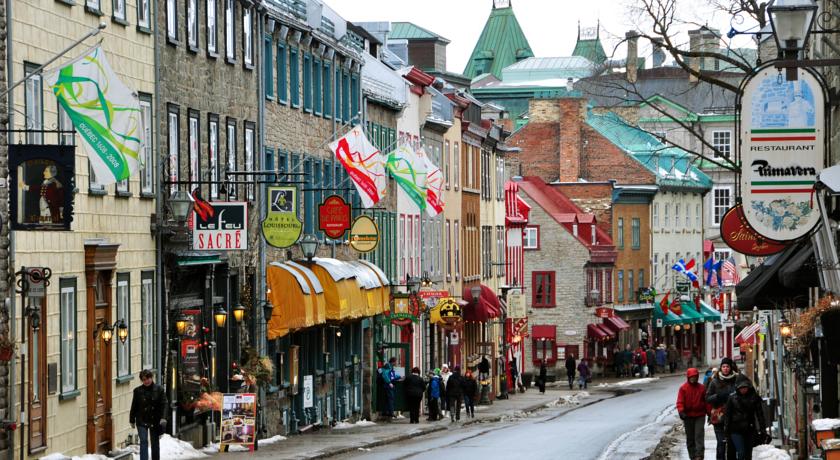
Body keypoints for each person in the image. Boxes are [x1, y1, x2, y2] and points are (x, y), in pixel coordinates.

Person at [725, 378, 769, 460]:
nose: (743, 390)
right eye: (741, 388)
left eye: (745, 387)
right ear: (738, 388)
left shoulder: (754, 398)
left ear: (748, 387)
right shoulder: (732, 398)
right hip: (735, 429)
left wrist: (763, 430)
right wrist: (727, 431)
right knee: (741, 453)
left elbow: (760, 415)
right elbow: (728, 415)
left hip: (749, 429)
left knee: (748, 454)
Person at [707, 357, 741, 460]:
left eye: (727, 367)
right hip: (719, 417)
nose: (725, 368)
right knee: (721, 444)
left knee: (732, 444)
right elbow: (707, 398)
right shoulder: (715, 381)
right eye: (723, 366)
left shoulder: (737, 380)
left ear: (731, 368)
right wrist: (718, 396)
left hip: (733, 417)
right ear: (721, 368)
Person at [130, 369, 167, 460]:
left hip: (155, 419)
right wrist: (132, 419)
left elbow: (164, 404)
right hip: (141, 419)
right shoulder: (137, 391)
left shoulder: (159, 389)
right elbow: (134, 406)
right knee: (143, 441)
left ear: (151, 377)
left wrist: (163, 417)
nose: (146, 381)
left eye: (148, 378)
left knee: (154, 442)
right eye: (144, 379)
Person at [676, 368, 708, 460]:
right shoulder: (683, 388)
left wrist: (710, 413)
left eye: (695, 377)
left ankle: (699, 455)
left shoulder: (702, 388)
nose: (693, 378)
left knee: (699, 435)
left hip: (700, 415)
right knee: (690, 438)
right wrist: (681, 411)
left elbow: (706, 402)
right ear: (688, 377)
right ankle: (692, 456)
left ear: (697, 377)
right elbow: (680, 401)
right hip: (688, 416)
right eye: (691, 377)